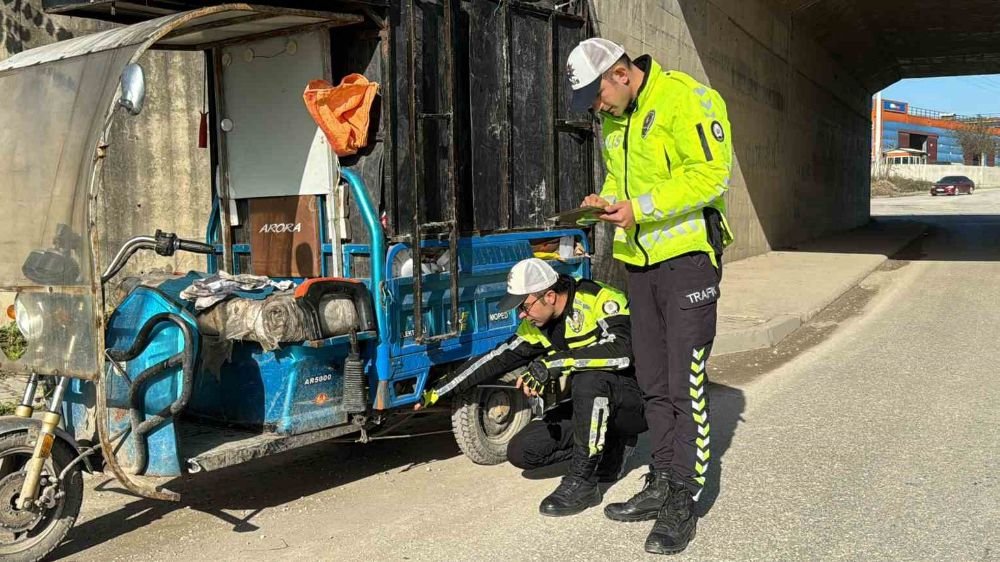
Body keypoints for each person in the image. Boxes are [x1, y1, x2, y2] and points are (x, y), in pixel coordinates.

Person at [566, 37, 734, 555]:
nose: (597, 108)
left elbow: (711, 174)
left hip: (686, 262)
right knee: (654, 382)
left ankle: (685, 495)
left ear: (619, 73)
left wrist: (642, 207)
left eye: (597, 96)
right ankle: (661, 478)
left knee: (686, 385)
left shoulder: (688, 98)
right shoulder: (615, 120)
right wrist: (607, 200)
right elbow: (621, 176)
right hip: (639, 265)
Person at [416, 257, 645, 517]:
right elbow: (496, 359)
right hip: (591, 404)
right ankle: (606, 447)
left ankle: (583, 480)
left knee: (589, 378)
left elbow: (624, 351)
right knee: (522, 452)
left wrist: (554, 363)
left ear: (549, 296)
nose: (521, 314)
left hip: (634, 403)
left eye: (524, 306)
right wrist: (440, 390)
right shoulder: (537, 323)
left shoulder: (600, 298)